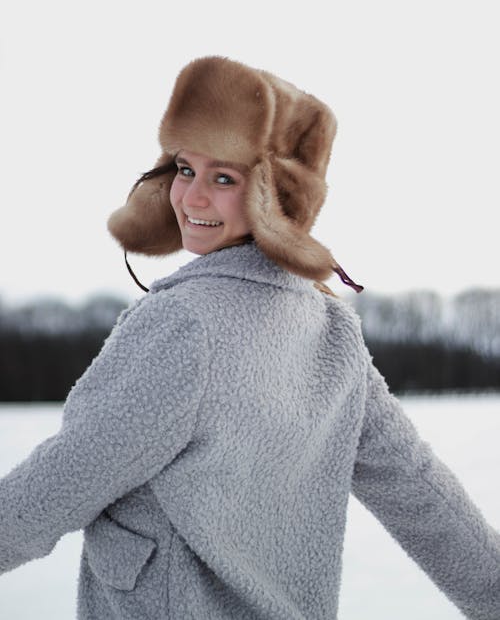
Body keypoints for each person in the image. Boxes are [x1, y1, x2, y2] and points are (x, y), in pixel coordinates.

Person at [0, 55, 498, 620]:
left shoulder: (182, 325)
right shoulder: (330, 328)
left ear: (275, 196)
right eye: (185, 169)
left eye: (225, 178)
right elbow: (425, 499)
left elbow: (59, 485)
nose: (191, 198)